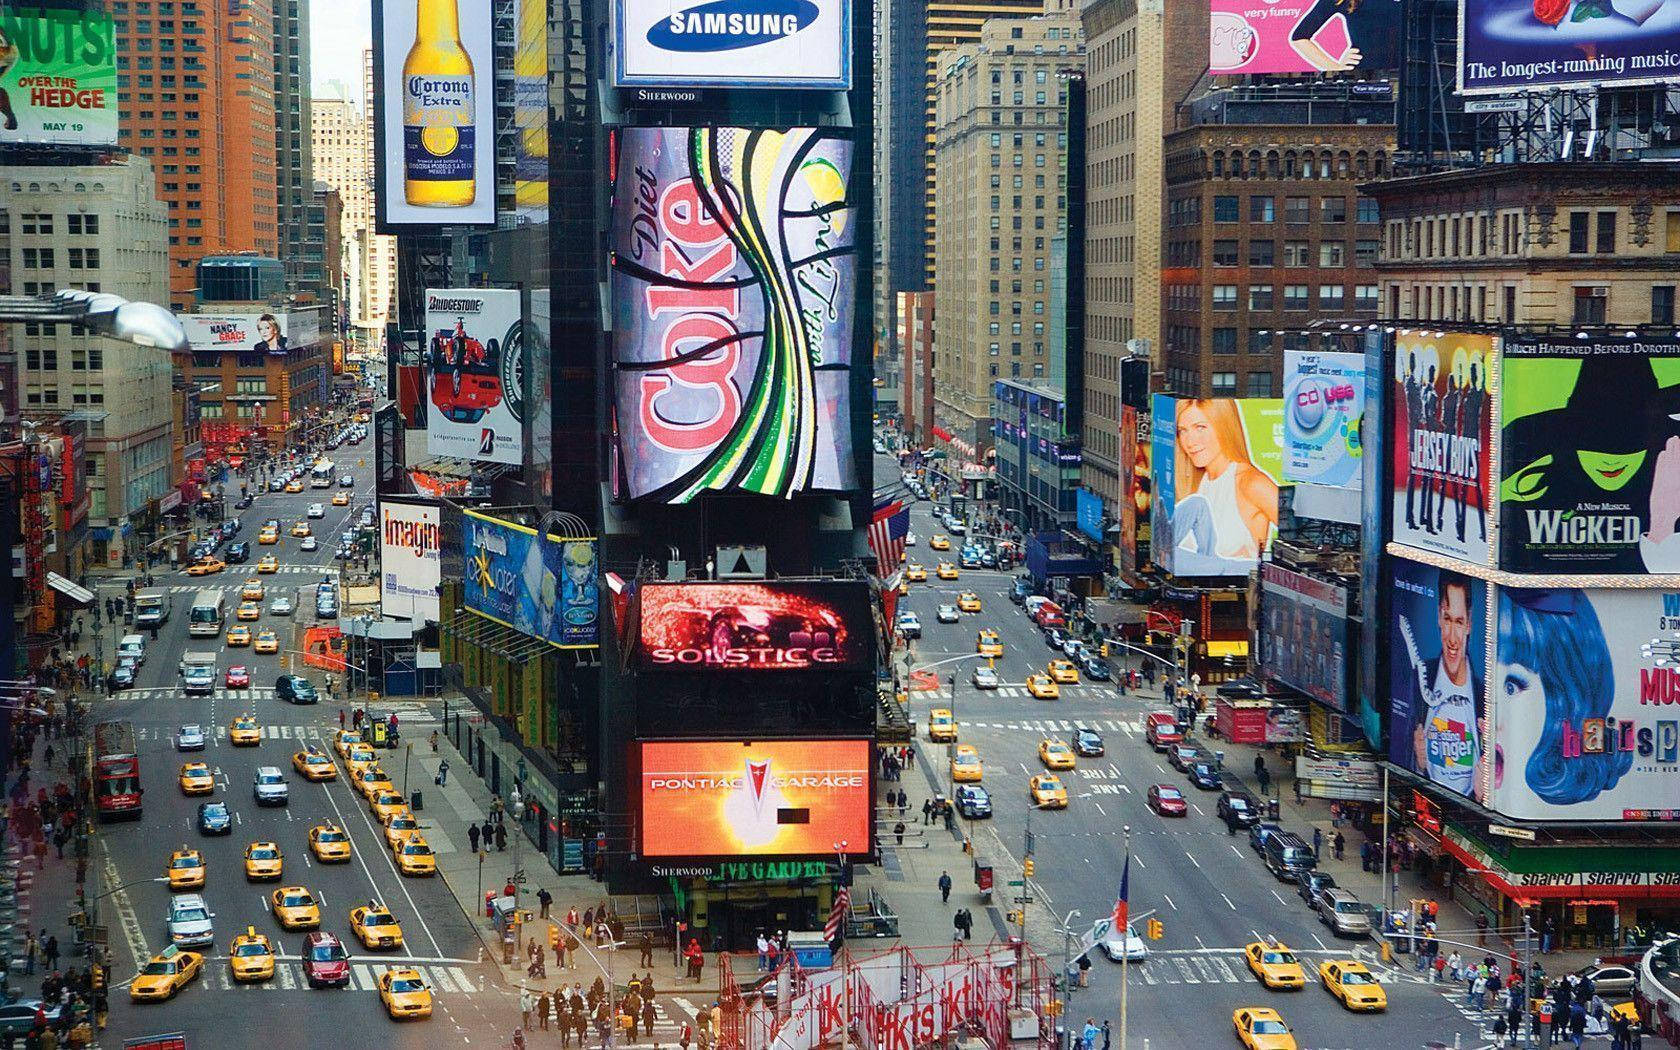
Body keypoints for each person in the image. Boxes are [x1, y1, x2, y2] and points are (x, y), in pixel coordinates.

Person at [1399, 569, 1487, 802]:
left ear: (1469, 623)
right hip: (1428, 796)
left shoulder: (1485, 692)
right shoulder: (1421, 676)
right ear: (1439, 616)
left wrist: (1483, 795)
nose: (1452, 637)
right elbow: (1404, 750)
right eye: (1447, 619)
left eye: (1459, 622)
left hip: (1472, 806)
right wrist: (1418, 764)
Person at [1165, 399, 1280, 574]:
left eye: (1200, 427)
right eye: (1183, 431)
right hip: (1195, 577)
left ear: (1223, 427)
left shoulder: (1251, 482)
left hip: (1238, 579)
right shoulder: (1200, 482)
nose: (1190, 441)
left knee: (1170, 554)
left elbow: (1297, 534)